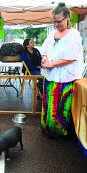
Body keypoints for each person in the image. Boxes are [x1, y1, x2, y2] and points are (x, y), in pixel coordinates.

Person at [40, 2, 84, 138]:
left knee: (61, 107)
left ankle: (59, 132)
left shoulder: (74, 35)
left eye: (59, 21)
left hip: (65, 78)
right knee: (48, 103)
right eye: (54, 21)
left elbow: (71, 58)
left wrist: (51, 64)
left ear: (67, 18)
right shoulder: (52, 33)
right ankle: (47, 129)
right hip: (50, 77)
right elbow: (44, 50)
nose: (56, 24)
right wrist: (45, 59)